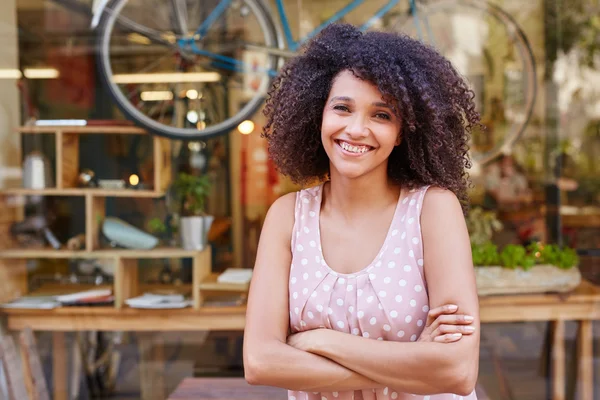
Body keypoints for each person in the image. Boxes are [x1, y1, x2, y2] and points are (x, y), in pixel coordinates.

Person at [243, 24, 480, 400]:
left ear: (403, 131)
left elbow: (457, 371)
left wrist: (318, 341)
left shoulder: (432, 210)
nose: (356, 129)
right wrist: (414, 362)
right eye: (342, 108)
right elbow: (260, 361)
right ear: (317, 113)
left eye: (381, 115)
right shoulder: (286, 217)